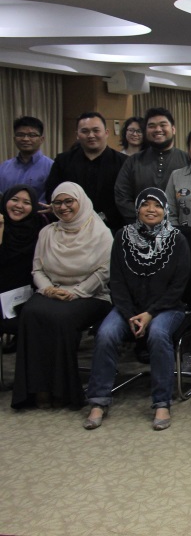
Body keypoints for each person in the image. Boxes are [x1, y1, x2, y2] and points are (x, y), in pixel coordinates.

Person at [83, 188, 190, 431]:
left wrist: (150, 313)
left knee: (158, 334)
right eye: (145, 205)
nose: (151, 210)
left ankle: (162, 402)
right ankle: (98, 400)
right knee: (106, 333)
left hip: (167, 308)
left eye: (157, 205)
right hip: (128, 308)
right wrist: (130, 313)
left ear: (166, 210)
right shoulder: (122, 236)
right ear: (137, 209)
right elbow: (117, 282)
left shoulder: (177, 239)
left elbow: (178, 287)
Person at [11, 182, 113, 410]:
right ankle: (37, 390)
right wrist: (48, 289)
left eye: (69, 201)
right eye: (57, 202)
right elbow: (37, 269)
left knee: (60, 318)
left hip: (91, 296)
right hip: (51, 290)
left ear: (81, 201)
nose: (63, 207)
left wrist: (74, 292)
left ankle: (63, 391)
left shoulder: (100, 232)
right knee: (31, 312)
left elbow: (104, 272)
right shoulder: (47, 232)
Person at [46, 112, 128, 232]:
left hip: (112, 229)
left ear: (106, 133)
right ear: (77, 135)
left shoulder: (124, 162)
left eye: (96, 130)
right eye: (85, 131)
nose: (91, 135)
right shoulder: (63, 161)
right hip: (70, 227)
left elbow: (126, 197)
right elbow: (52, 193)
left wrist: (101, 217)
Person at [114, 107, 189, 224]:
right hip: (139, 231)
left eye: (163, 125)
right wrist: (145, 219)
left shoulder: (187, 160)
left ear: (173, 129)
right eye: (152, 126)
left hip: (179, 230)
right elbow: (121, 196)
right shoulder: (133, 161)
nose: (158, 129)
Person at [0, 185, 44, 341]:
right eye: (14, 200)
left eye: (26, 202)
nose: (19, 206)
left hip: (28, 293)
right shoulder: (0, 223)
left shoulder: (41, 226)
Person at [0, 116, 53, 203]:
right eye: (20, 135)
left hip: (38, 216)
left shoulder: (51, 167)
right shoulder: (4, 167)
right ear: (14, 139)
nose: (25, 139)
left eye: (32, 135)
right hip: (6, 215)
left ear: (42, 139)